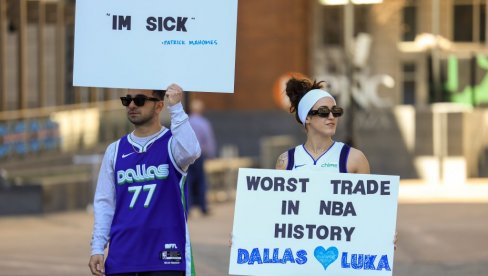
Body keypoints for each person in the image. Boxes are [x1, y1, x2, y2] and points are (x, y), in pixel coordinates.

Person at [88, 84, 201, 276]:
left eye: (139, 100)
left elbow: (192, 151)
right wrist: (97, 247)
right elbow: (105, 202)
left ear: (158, 106)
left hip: (167, 256)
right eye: (127, 100)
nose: (132, 105)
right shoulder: (114, 150)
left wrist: (176, 108)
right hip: (123, 257)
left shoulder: (172, 144)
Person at [275, 77, 370, 173]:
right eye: (323, 111)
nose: (331, 116)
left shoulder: (355, 158)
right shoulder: (286, 162)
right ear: (307, 118)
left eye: (335, 111)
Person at [186, 99, 217, 215]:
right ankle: (203, 207)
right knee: (201, 181)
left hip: (186, 154)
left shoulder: (186, 122)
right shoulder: (204, 123)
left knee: (187, 181)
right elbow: (208, 140)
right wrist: (211, 154)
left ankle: (187, 208)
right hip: (199, 155)